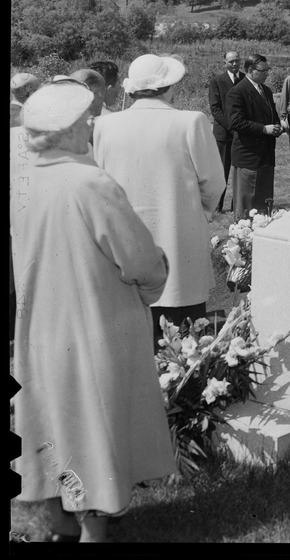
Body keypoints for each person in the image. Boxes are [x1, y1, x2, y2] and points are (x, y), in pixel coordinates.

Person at [12, 82, 176, 542]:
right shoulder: (90, 181)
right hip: (95, 321)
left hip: (41, 321)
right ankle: (95, 526)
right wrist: (154, 280)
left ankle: (59, 518)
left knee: (50, 417)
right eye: (84, 120)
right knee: (94, 416)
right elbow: (139, 259)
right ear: (65, 131)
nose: (90, 125)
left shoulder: (24, 181)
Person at [93, 54, 225, 343]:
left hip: (125, 248)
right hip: (179, 243)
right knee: (184, 342)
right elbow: (214, 184)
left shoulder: (105, 126)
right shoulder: (190, 122)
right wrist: (193, 212)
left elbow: (100, 185)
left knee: (133, 340)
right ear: (170, 86)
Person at [225, 54, 284, 216]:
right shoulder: (237, 92)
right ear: (250, 71)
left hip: (266, 156)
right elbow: (235, 122)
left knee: (264, 204)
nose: (267, 74)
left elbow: (271, 115)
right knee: (247, 206)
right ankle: (243, 238)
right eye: (263, 70)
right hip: (248, 156)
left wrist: (278, 125)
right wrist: (264, 129)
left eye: (268, 70)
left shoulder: (266, 90)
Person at [208, 50, 245, 212]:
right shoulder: (217, 81)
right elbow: (215, 109)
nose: (235, 64)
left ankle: (237, 206)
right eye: (231, 61)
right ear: (225, 63)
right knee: (222, 170)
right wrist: (232, 126)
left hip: (243, 134)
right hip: (224, 133)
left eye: (237, 60)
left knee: (241, 171)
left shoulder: (245, 79)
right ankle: (217, 207)